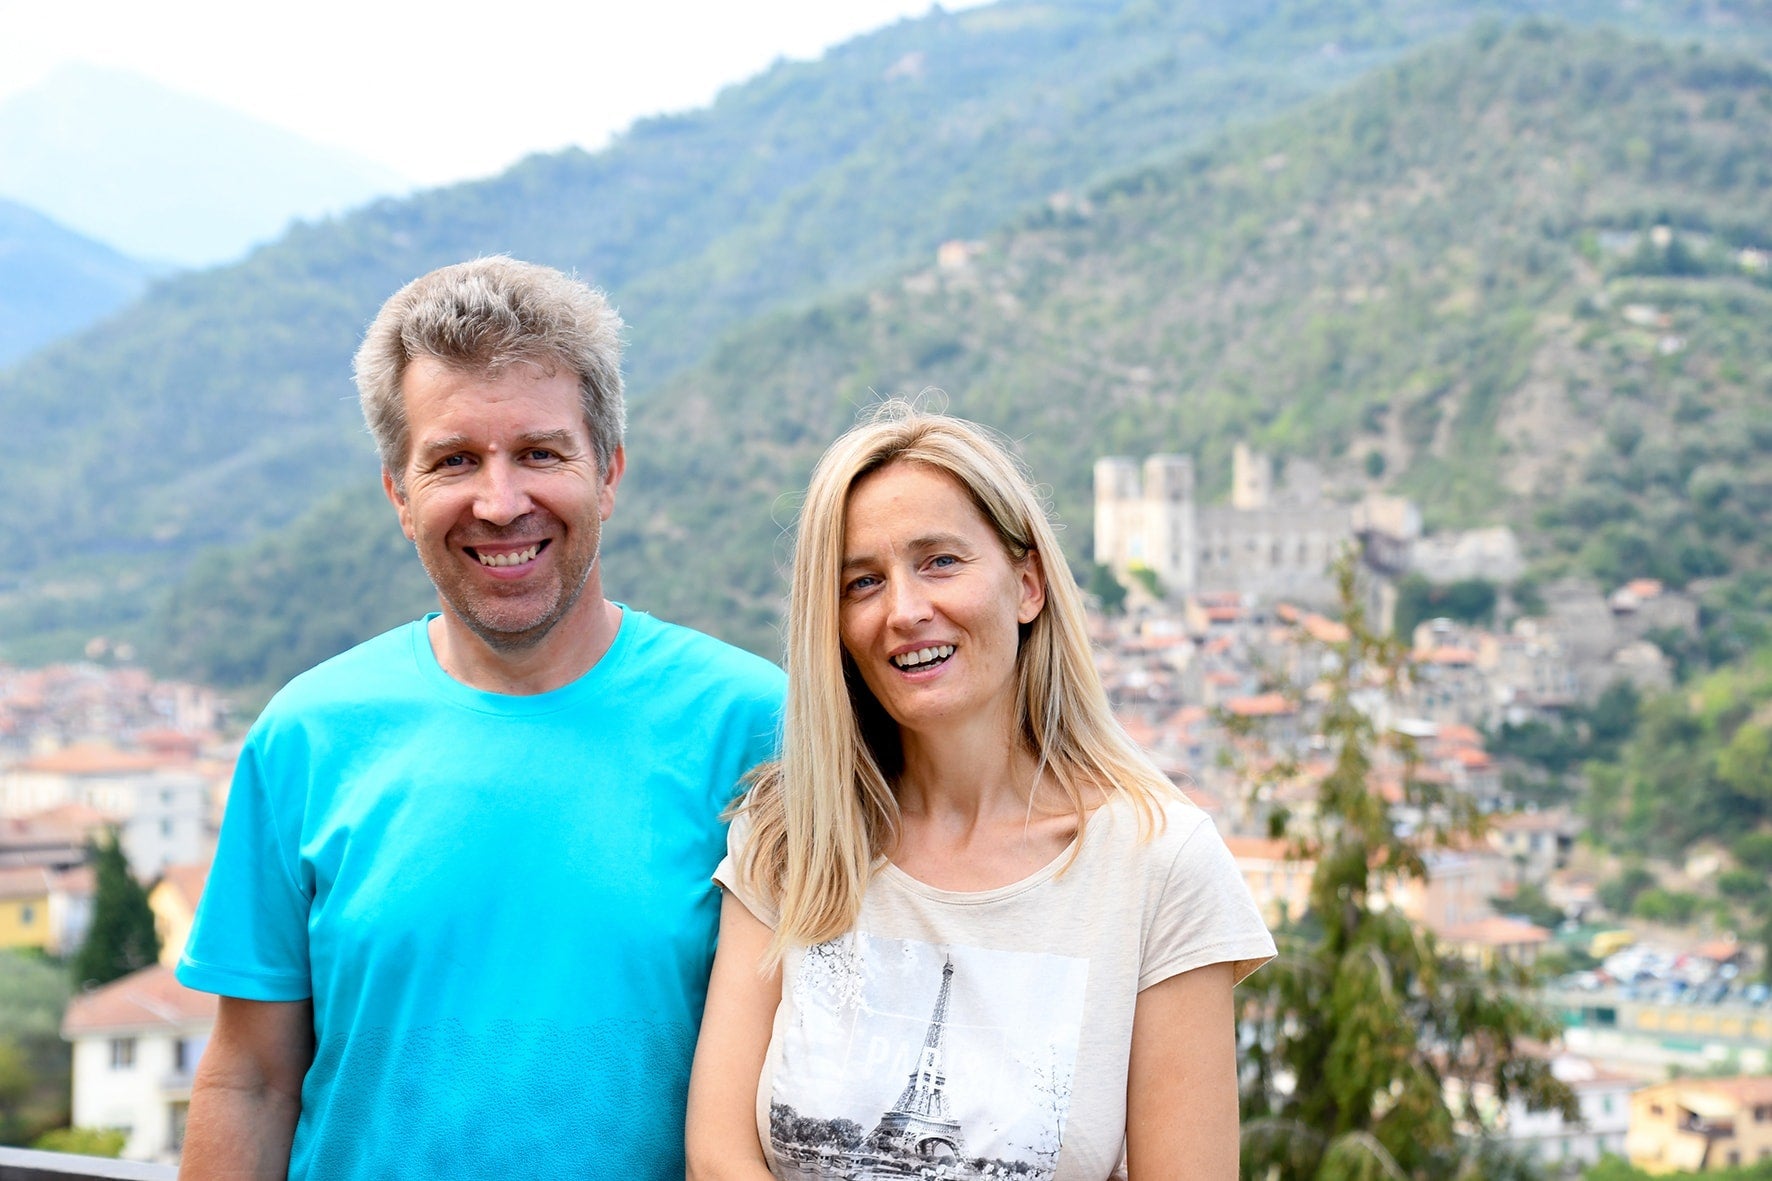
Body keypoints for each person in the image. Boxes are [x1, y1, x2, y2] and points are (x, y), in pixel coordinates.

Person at [175, 257, 785, 1179]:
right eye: (455, 460)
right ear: (398, 493)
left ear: (608, 473)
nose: (501, 504)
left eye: (540, 453)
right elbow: (252, 1079)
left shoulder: (755, 726)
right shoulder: (306, 735)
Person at [685, 405, 1275, 1181]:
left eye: (940, 561)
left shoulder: (1158, 864)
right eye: (863, 581)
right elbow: (717, 1155)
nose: (904, 610)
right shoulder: (793, 836)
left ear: (1028, 585)